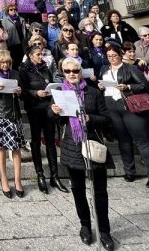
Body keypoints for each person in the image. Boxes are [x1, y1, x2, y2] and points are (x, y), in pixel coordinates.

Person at [49, 58, 115, 250]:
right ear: (63, 73)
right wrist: (53, 111)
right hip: (72, 143)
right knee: (77, 188)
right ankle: (85, 225)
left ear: (80, 71)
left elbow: (107, 118)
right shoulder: (60, 92)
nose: (71, 74)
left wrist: (89, 118)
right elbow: (51, 118)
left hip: (92, 142)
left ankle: (104, 230)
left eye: (75, 70)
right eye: (67, 71)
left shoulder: (93, 92)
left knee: (100, 190)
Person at [97, 46, 149, 188]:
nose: (112, 58)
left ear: (120, 55)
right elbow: (102, 86)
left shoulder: (130, 68)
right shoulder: (104, 69)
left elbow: (145, 85)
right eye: (109, 56)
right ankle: (129, 171)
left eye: (114, 55)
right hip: (112, 108)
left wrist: (128, 87)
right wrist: (101, 86)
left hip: (131, 107)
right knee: (123, 141)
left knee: (142, 142)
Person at [19, 44, 66, 194]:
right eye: (38, 54)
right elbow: (22, 90)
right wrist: (35, 93)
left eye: (42, 54)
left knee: (51, 140)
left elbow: (51, 83)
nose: (41, 57)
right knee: (36, 141)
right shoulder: (24, 69)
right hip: (34, 108)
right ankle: (40, 175)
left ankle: (55, 176)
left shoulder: (45, 67)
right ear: (31, 55)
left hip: (47, 107)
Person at [0, 49, 25, 198]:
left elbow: (23, 94)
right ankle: (4, 180)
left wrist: (20, 91)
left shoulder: (15, 74)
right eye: (2, 62)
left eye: (7, 62)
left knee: (16, 148)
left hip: (14, 114)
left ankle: (18, 180)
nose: (5, 65)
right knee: (0, 148)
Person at [1, 4, 25, 70]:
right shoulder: (5, 21)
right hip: (12, 44)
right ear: (7, 11)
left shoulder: (21, 19)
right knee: (14, 63)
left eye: (15, 9)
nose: (13, 11)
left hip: (21, 44)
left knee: (22, 61)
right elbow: (4, 33)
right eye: (11, 10)